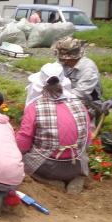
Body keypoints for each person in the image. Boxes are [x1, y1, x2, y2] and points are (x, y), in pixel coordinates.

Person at [16, 63, 91, 193]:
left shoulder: (35, 107)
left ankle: (49, 181)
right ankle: (76, 178)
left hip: (47, 166)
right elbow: (87, 139)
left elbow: (23, 144)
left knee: (21, 161)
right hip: (76, 164)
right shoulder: (79, 104)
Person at [52, 37, 103, 112]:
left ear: (70, 58)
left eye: (63, 59)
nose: (61, 60)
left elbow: (80, 94)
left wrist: (57, 97)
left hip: (89, 103)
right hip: (65, 97)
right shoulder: (64, 63)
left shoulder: (88, 69)